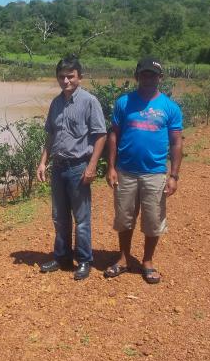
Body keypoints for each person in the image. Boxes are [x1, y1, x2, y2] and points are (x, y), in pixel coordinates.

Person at [104, 56, 183, 284]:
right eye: (144, 74)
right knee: (124, 218)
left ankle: (147, 261)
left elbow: (177, 142)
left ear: (160, 77)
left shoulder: (170, 107)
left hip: (155, 173)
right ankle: (123, 258)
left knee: (152, 219)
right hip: (125, 171)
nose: (148, 78)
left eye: (153, 74)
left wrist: (174, 175)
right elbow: (114, 135)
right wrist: (111, 166)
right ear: (137, 76)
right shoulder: (123, 103)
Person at [36, 55, 107, 280]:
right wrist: (42, 161)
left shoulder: (89, 101)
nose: (66, 81)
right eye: (61, 77)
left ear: (79, 77)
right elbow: (51, 135)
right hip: (58, 166)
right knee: (59, 216)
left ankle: (84, 260)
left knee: (82, 218)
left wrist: (92, 166)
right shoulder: (56, 103)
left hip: (79, 166)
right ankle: (62, 257)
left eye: (70, 76)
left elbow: (101, 135)